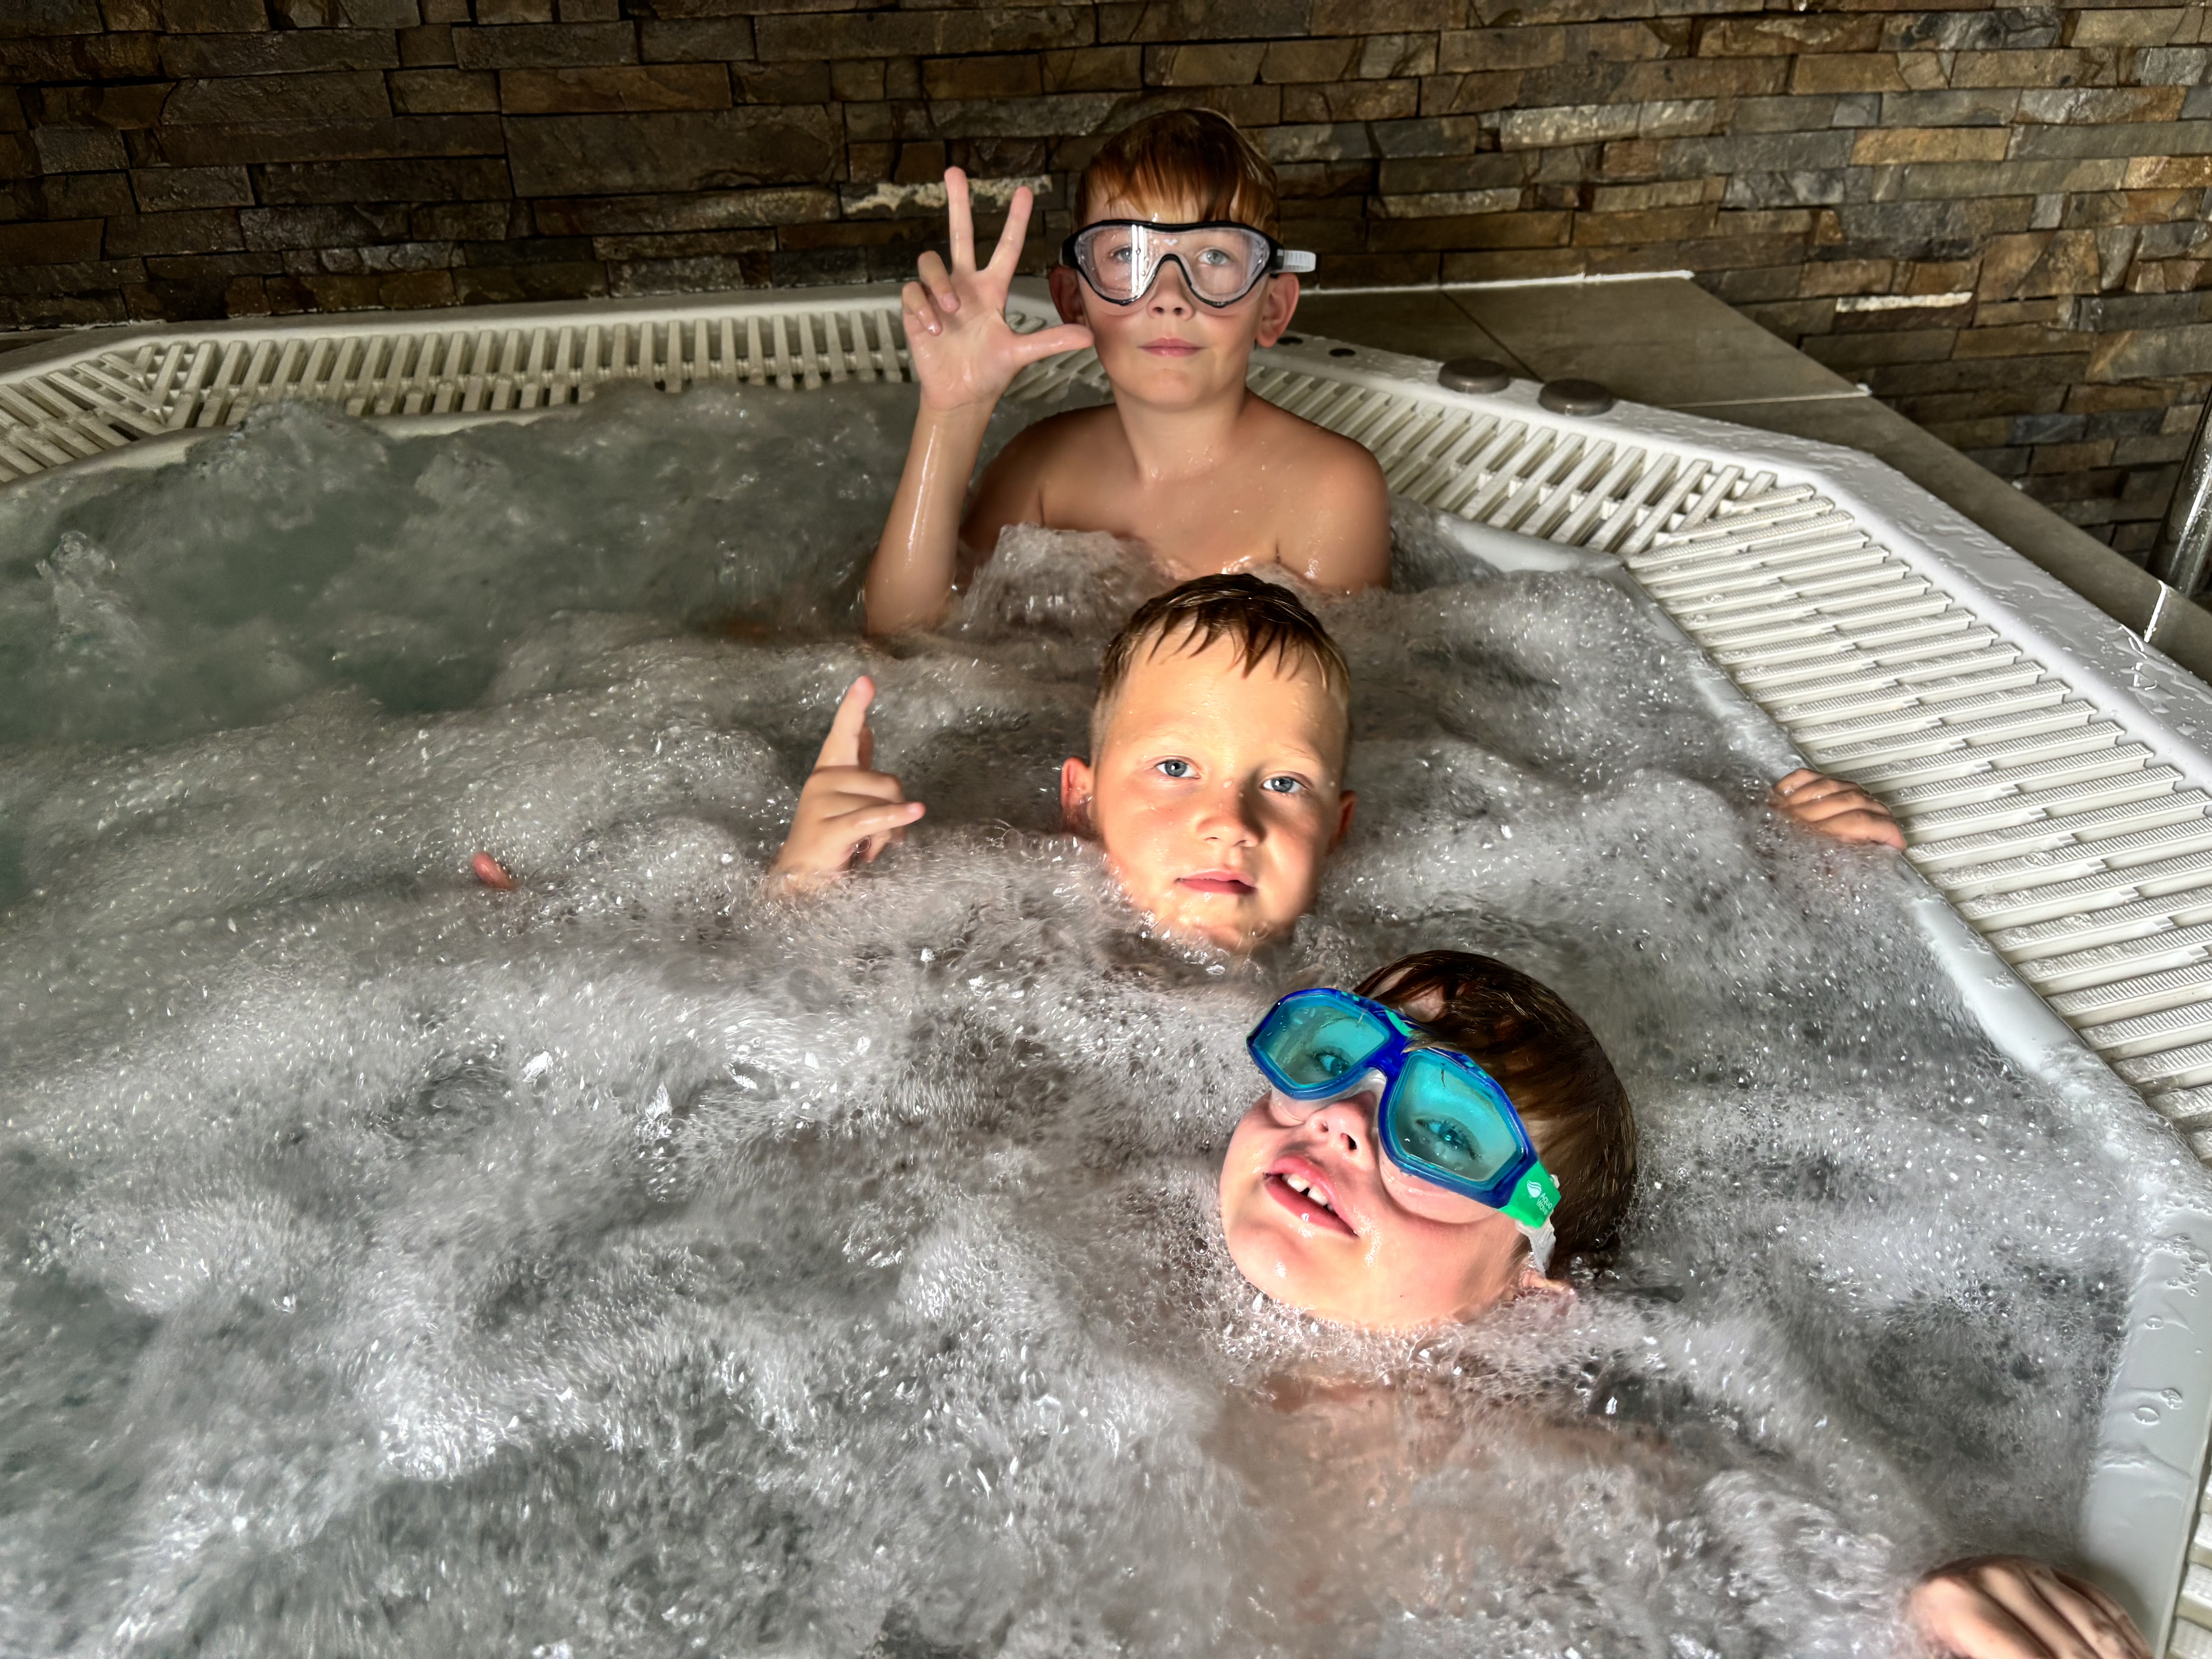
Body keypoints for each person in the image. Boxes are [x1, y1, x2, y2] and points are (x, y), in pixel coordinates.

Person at [1219, 948, 2148, 1659]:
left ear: (1527, 1300)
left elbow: (1756, 1549)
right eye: (1331, 1055)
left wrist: (1912, 1605)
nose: (1342, 1117)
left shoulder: (1509, 1464)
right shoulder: (1139, 1246)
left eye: (1445, 1134)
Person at [862, 110, 1392, 637]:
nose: (1170, 296)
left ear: (1272, 308)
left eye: (1214, 256)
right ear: (1073, 299)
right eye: (1127, 254)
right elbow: (906, 636)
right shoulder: (1039, 470)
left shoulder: (1327, 492)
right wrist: (953, 413)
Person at [775, 574, 1357, 955]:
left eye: (1284, 782)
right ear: (1083, 803)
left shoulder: (1373, 997)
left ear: (1336, 829)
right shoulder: (1000, 928)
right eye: (1176, 768)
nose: (1230, 823)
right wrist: (802, 889)